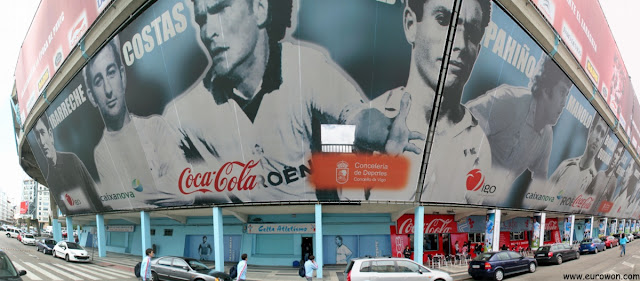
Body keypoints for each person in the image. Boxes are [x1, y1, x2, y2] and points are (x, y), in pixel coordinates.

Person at [164, 0, 423, 203]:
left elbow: (353, 116)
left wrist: (384, 131)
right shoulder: (184, 115)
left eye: (220, 9)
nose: (208, 31)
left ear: (261, 9)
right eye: (201, 20)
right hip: (252, 226)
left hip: (322, 222)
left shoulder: (305, 68)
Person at [372, 0, 493, 204]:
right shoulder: (371, 122)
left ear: (478, 51)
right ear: (411, 25)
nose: (460, 44)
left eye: (471, 32)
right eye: (443, 20)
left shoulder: (478, 143)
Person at [82, 35, 194, 210]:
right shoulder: (102, 153)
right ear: (91, 96)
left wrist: (133, 193)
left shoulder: (155, 127)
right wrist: (158, 185)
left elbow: (185, 191)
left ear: (122, 76)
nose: (108, 89)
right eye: (98, 81)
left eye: (111, 73)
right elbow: (119, 205)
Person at [467, 56, 572, 206]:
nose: (564, 104)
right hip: (458, 194)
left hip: (488, 207)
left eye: (566, 96)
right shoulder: (510, 102)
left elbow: (539, 184)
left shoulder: (547, 136)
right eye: (562, 92)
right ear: (546, 90)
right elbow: (464, 124)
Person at [32, 115, 103, 214]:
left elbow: (94, 193)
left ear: (51, 135)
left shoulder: (72, 160)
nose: (42, 141)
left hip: (96, 220)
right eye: (37, 136)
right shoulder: (49, 179)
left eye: (42, 133)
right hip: (80, 223)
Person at [539, 115, 608, 212]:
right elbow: (540, 199)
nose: (598, 138)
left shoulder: (594, 181)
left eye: (602, 135)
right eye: (598, 130)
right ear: (591, 131)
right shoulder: (566, 165)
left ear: (602, 142)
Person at [586, 141, 626, 214]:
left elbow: (607, 207)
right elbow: (586, 193)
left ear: (619, 160)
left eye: (618, 155)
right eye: (615, 153)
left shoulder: (613, 181)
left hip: (593, 217)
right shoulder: (600, 174)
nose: (615, 157)